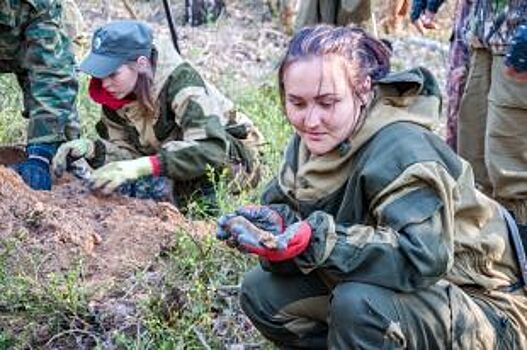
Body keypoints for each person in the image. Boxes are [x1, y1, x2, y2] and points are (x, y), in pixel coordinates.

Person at [216, 25, 527, 349]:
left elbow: (423, 257)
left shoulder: (401, 148)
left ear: (363, 89)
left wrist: (318, 241)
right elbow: (293, 211)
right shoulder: (312, 144)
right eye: (297, 102)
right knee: (262, 292)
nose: (310, 120)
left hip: (486, 308)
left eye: (327, 103)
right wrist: (277, 227)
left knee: (359, 306)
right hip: (405, 293)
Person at [52, 20, 263, 208]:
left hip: (234, 157)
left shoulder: (181, 83)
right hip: (173, 153)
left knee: (164, 188)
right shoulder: (116, 92)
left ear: (141, 63)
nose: (104, 83)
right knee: (128, 186)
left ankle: (203, 215)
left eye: (112, 73)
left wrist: (143, 166)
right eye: (100, 73)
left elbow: (212, 149)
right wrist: (91, 149)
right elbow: (128, 156)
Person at [456, 0, 527, 224]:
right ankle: (487, 250)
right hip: (484, 37)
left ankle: (519, 253)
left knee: (512, 176)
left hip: (518, 42)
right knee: (473, 167)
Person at [0, 0, 79, 190]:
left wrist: (41, 153)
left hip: (33, 43)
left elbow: (52, 75)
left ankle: (67, 168)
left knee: (61, 143)